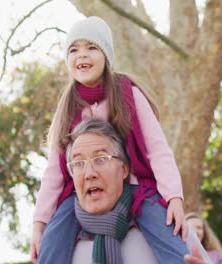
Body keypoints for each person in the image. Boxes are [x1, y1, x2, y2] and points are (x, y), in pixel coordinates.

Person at [30, 16, 188, 263]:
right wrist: (39, 222)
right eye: (74, 50)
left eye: (91, 47)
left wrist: (174, 198)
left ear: (106, 56)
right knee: (52, 241)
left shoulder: (128, 94)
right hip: (81, 191)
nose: (82, 55)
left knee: (169, 233)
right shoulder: (68, 107)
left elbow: (158, 150)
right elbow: (53, 171)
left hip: (135, 185)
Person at [57, 118, 204, 263]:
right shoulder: (58, 246)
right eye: (79, 163)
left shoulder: (173, 230)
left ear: (124, 170)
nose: (89, 173)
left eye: (100, 159)